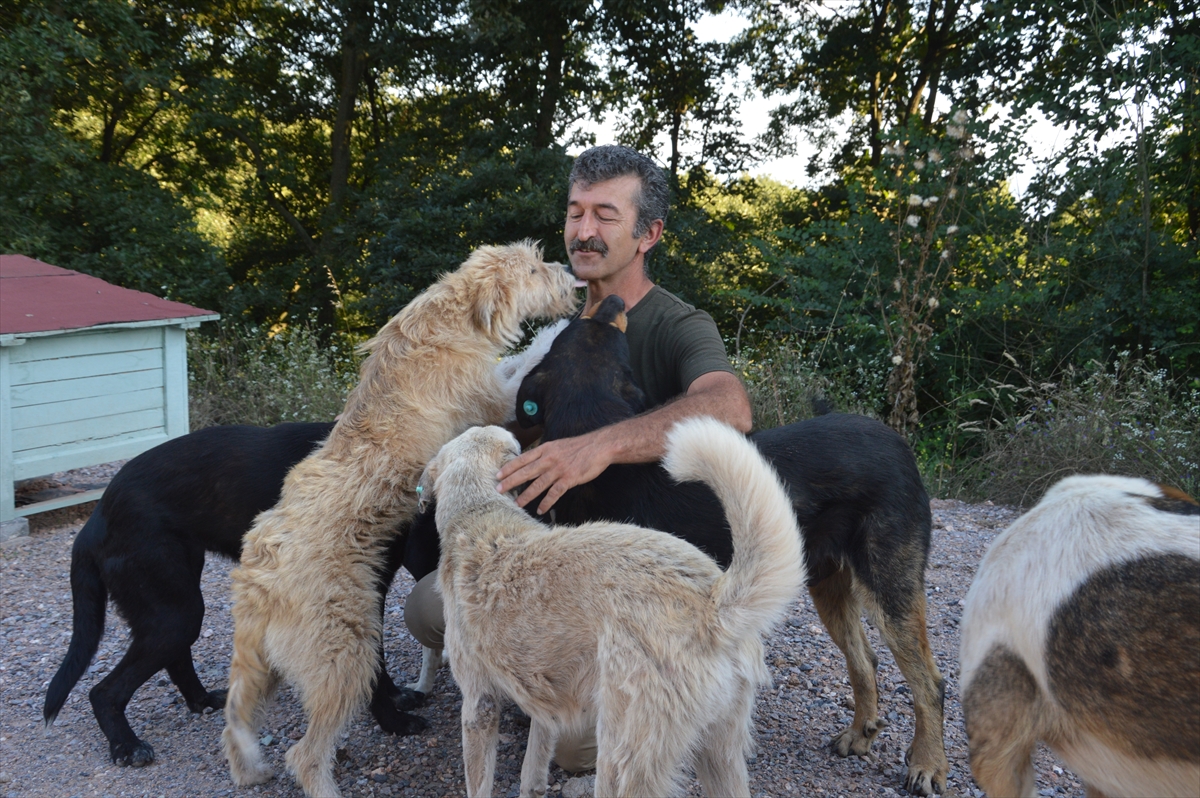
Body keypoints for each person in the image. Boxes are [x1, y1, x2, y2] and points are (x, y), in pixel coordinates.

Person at [403, 144, 752, 771]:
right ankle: (531, 679)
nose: (584, 231)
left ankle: (669, 683)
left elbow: (731, 408)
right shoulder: (556, 322)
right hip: (557, 568)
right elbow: (515, 425)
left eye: (606, 215)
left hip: (642, 593)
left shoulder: (677, 324)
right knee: (429, 605)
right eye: (575, 212)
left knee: (571, 747)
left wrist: (601, 445)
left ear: (649, 233)